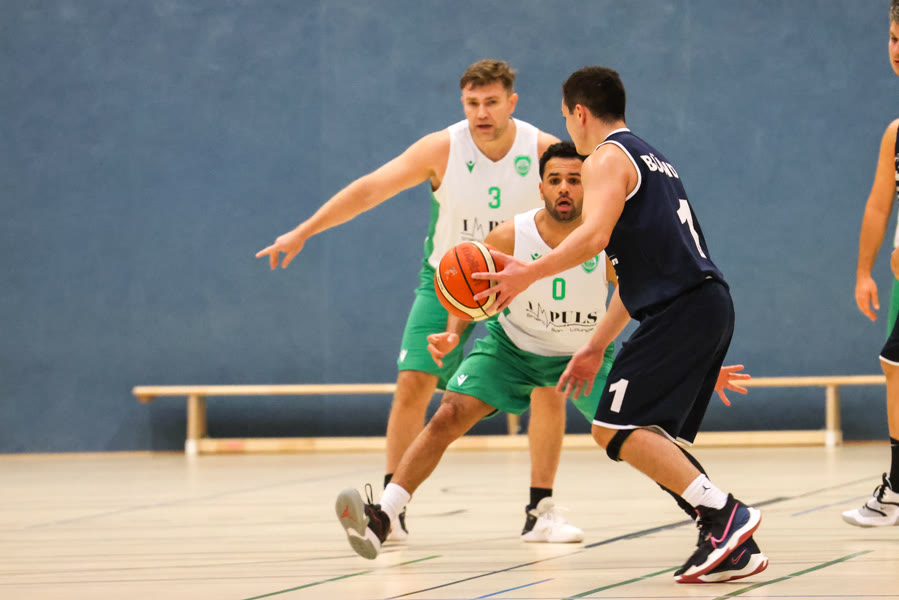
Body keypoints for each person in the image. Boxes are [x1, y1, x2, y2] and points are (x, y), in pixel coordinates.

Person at [334, 142, 758, 583]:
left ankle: (717, 521)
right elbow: (471, 284)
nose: (564, 188)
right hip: (512, 349)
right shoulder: (509, 236)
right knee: (448, 414)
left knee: (640, 440)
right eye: (555, 180)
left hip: (583, 355)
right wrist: (454, 332)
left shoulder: (607, 240)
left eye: (574, 180)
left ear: (589, 187)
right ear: (541, 188)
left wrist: (695, 367)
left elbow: (632, 300)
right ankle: (383, 516)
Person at [470, 66, 766, 583]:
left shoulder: (606, 158)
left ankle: (724, 514)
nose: (568, 127)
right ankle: (735, 546)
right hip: (700, 303)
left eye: (566, 117)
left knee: (613, 427)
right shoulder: (652, 158)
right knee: (644, 433)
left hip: (683, 307)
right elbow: (633, 277)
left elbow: (593, 237)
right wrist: (594, 348)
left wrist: (527, 273)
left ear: (579, 113)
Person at [256, 59, 565, 540]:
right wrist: (304, 230)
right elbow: (370, 190)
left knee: (548, 385)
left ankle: (540, 511)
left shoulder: (543, 149)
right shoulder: (442, 147)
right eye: (472, 103)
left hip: (521, 280)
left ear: (512, 102)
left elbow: (589, 202)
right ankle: (390, 512)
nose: (481, 113)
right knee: (413, 382)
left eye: (491, 102)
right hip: (449, 278)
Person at [844, 0, 899, 528]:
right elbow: (880, 205)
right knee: (895, 366)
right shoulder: (896, 133)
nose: (898, 50)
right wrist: (865, 271)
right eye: (895, 38)